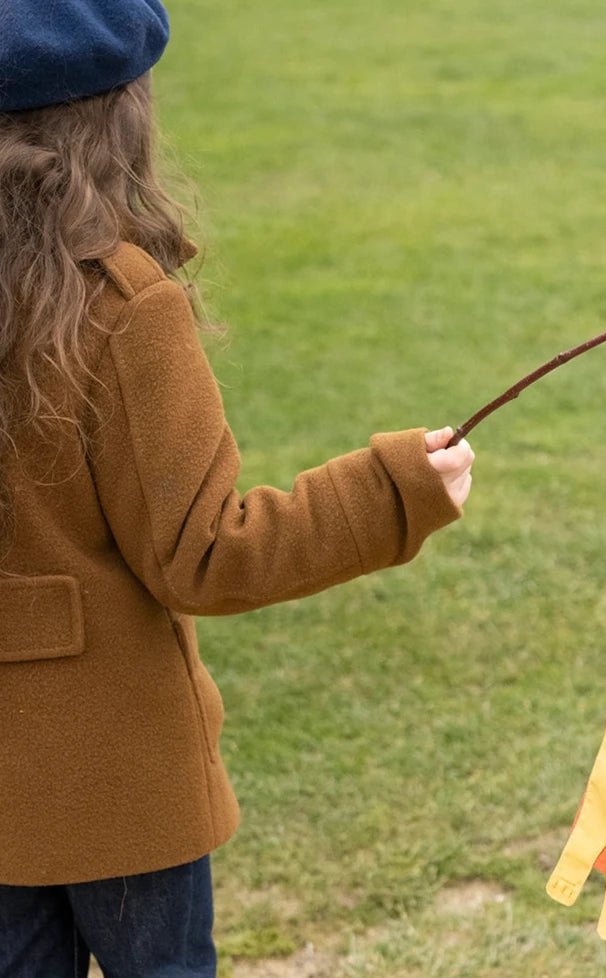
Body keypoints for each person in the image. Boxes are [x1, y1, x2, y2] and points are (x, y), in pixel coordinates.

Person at [0, 2, 475, 975]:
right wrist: (392, 492)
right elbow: (205, 553)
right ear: (120, 115)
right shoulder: (121, 305)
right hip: (125, 793)